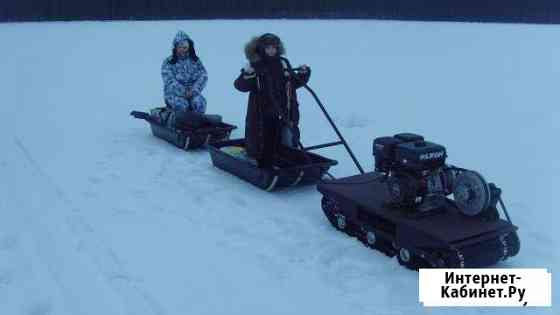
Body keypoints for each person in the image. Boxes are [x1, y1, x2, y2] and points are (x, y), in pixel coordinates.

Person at [234, 33, 311, 168]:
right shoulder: (255, 65)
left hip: (284, 109)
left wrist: (303, 75)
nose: (271, 51)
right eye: (268, 48)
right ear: (261, 49)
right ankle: (262, 160)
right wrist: (246, 76)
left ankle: (287, 158)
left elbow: (292, 83)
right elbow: (240, 86)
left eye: (274, 48)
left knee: (287, 135)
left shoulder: (282, 63)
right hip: (262, 112)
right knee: (264, 138)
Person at [159, 31, 218, 129]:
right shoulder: (168, 62)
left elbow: (203, 76)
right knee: (182, 105)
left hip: (192, 92)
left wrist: (193, 90)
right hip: (174, 94)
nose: (183, 49)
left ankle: (197, 126)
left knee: (200, 103)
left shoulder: (195, 61)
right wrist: (184, 92)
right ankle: (179, 125)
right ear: (176, 47)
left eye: (185, 47)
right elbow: (169, 81)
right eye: (180, 47)